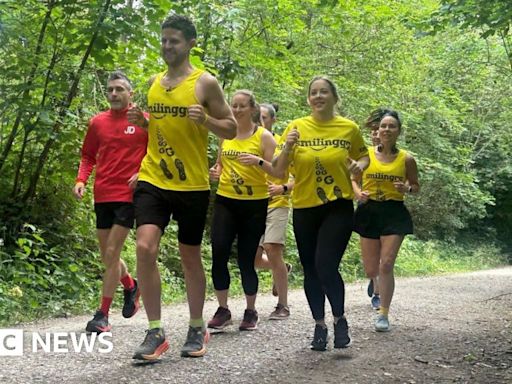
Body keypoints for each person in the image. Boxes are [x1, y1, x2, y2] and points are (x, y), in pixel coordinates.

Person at [127, 14, 237, 360]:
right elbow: (163, 126)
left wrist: (205, 119)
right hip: (153, 176)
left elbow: (231, 128)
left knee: (190, 255)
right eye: (163, 40)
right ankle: (155, 330)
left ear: (190, 43)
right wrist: (142, 122)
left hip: (191, 183)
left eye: (173, 40)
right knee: (145, 248)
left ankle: (195, 326)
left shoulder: (205, 83)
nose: (167, 46)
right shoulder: (154, 82)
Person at [272, 76, 369, 351]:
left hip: (337, 206)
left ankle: (339, 320)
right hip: (304, 207)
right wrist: (288, 146)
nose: (318, 96)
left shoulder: (348, 128)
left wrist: (359, 167)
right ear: (308, 99)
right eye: (313, 93)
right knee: (311, 270)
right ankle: (319, 325)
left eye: (323, 92)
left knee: (325, 264)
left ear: (334, 97)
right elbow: (278, 170)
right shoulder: (296, 127)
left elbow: (364, 156)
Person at [73, 71, 148, 334]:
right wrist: (81, 180)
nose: (114, 94)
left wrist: (144, 172)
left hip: (128, 196)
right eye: (110, 90)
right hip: (102, 194)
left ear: (131, 93)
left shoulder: (144, 122)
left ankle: (102, 315)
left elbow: (159, 152)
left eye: (119, 89)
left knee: (112, 251)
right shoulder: (97, 123)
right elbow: (87, 155)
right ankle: (130, 285)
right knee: (108, 256)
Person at [207, 90, 278, 331]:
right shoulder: (225, 135)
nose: (236, 110)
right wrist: (215, 172)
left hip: (254, 203)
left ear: (252, 109)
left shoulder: (264, 137)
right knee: (219, 253)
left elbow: (277, 171)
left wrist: (257, 161)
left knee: (247, 260)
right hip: (226, 200)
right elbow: (219, 164)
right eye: (233, 106)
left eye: (241, 106)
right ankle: (223, 308)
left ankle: (250, 310)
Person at [352, 110, 419, 332]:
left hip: (393, 212)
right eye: (384, 126)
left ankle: (384, 314)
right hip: (369, 211)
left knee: (386, 264)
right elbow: (353, 179)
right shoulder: (367, 155)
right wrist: (358, 193)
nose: (387, 129)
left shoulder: (406, 159)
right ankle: (375, 283)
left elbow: (416, 186)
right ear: (377, 131)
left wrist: (407, 188)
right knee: (372, 269)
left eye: (392, 126)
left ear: (399, 131)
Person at [253, 103, 294, 319]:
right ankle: (282, 270)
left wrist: (283, 187)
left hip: (278, 201)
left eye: (264, 117)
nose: (260, 121)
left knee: (272, 248)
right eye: (257, 117)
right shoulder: (249, 140)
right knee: (253, 259)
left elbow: (298, 173)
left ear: (273, 120)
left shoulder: (282, 143)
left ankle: (283, 305)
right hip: (254, 202)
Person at [362, 108, 391, 311]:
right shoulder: (363, 154)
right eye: (372, 131)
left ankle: (379, 293)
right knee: (372, 255)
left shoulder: (394, 156)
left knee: (386, 254)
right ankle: (374, 279)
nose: (374, 134)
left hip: (389, 208)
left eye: (377, 130)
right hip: (366, 206)